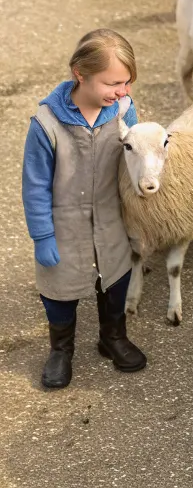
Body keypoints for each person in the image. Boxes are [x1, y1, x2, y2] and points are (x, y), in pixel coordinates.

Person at [21, 29, 148, 390]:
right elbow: (34, 185)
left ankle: (113, 336)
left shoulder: (123, 111)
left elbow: (136, 152)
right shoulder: (46, 125)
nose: (122, 91)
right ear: (80, 73)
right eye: (113, 83)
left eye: (126, 82)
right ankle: (61, 349)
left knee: (116, 274)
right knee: (59, 285)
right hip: (63, 221)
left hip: (110, 214)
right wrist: (42, 234)